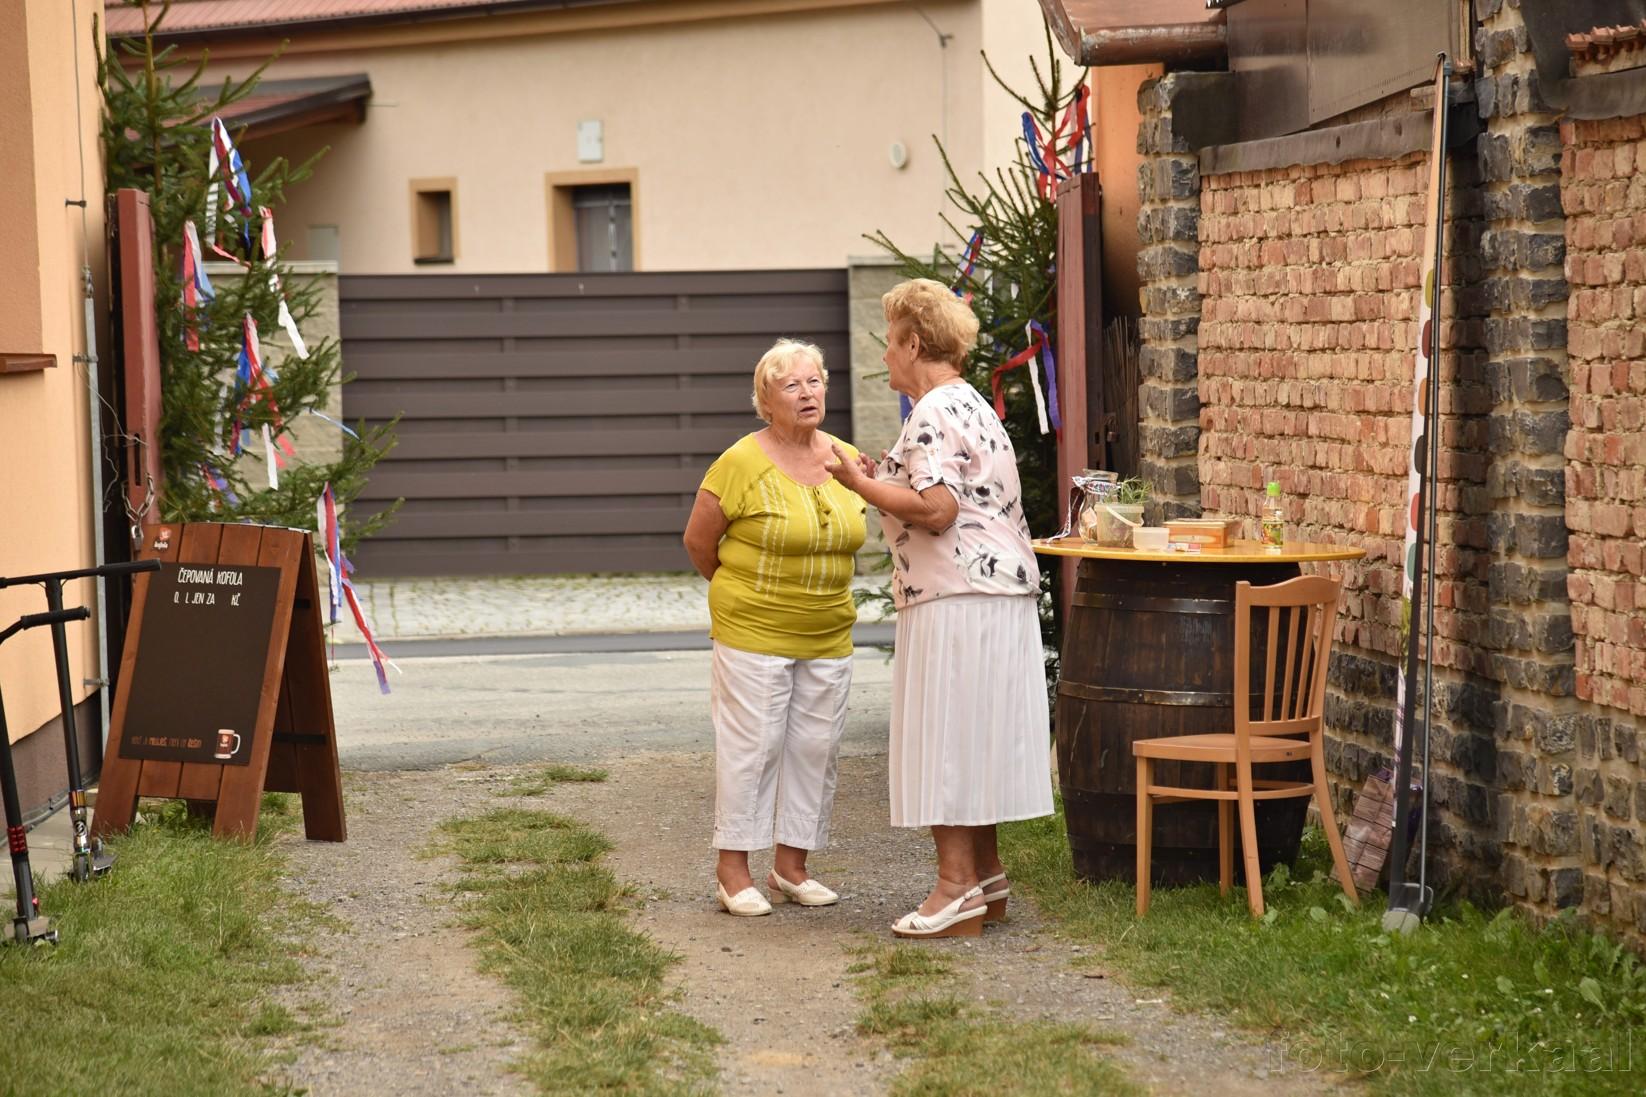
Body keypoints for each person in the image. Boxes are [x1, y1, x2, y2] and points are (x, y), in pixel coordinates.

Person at [825, 278, 1053, 939]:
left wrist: (860, 483)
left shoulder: (929, 410)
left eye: (890, 342)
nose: (885, 356)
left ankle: (954, 889)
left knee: (948, 738)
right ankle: (986, 876)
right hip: (996, 592)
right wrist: (886, 476)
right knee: (974, 735)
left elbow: (938, 509)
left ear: (914, 344)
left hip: (954, 595)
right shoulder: (971, 402)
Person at [683, 339, 868, 917]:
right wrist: (743, 596)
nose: (807, 393)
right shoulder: (740, 461)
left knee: (816, 749)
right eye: (791, 385)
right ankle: (732, 872)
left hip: (829, 631)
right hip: (753, 632)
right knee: (753, 749)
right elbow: (698, 541)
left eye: (814, 382)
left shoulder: (844, 457)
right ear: (765, 401)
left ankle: (792, 867)